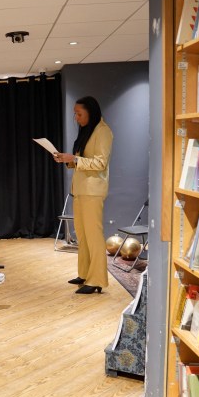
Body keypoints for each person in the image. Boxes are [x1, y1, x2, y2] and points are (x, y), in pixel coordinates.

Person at [53, 96, 114, 294]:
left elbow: (100, 163)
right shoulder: (88, 131)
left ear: (91, 112)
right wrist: (68, 160)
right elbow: (83, 161)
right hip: (81, 190)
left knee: (93, 235)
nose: (76, 118)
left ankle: (97, 280)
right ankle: (85, 273)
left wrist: (74, 159)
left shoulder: (103, 131)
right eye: (75, 114)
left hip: (93, 191)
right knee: (82, 234)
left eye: (79, 114)